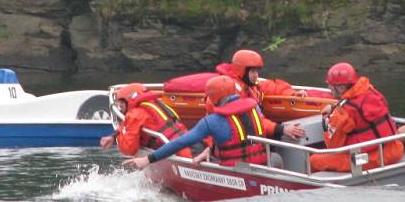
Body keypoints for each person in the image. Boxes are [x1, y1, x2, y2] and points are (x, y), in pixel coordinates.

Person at [123, 75, 302, 170]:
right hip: (262, 165)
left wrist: (147, 159)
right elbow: (252, 132)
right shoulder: (253, 108)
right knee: (277, 158)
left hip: (234, 172)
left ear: (213, 97)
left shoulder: (212, 121)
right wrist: (283, 129)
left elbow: (180, 142)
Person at [310, 62, 403, 172]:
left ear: (341, 87)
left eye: (331, 85)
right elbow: (355, 106)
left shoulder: (343, 112)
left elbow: (333, 146)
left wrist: (327, 124)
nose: (329, 88)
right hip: (394, 149)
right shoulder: (370, 91)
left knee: (314, 159)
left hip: (370, 158)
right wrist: (334, 107)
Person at [101, 83, 195, 157]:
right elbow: (129, 125)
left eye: (121, 102)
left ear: (130, 98)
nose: (120, 106)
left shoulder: (135, 114)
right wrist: (113, 136)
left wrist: (119, 137)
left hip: (176, 153)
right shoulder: (156, 104)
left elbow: (129, 149)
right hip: (191, 145)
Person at [215, 49, 301, 106]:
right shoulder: (232, 89)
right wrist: (279, 129)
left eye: (257, 71)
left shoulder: (251, 84)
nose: (256, 75)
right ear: (242, 70)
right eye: (253, 71)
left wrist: (293, 94)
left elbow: (272, 88)